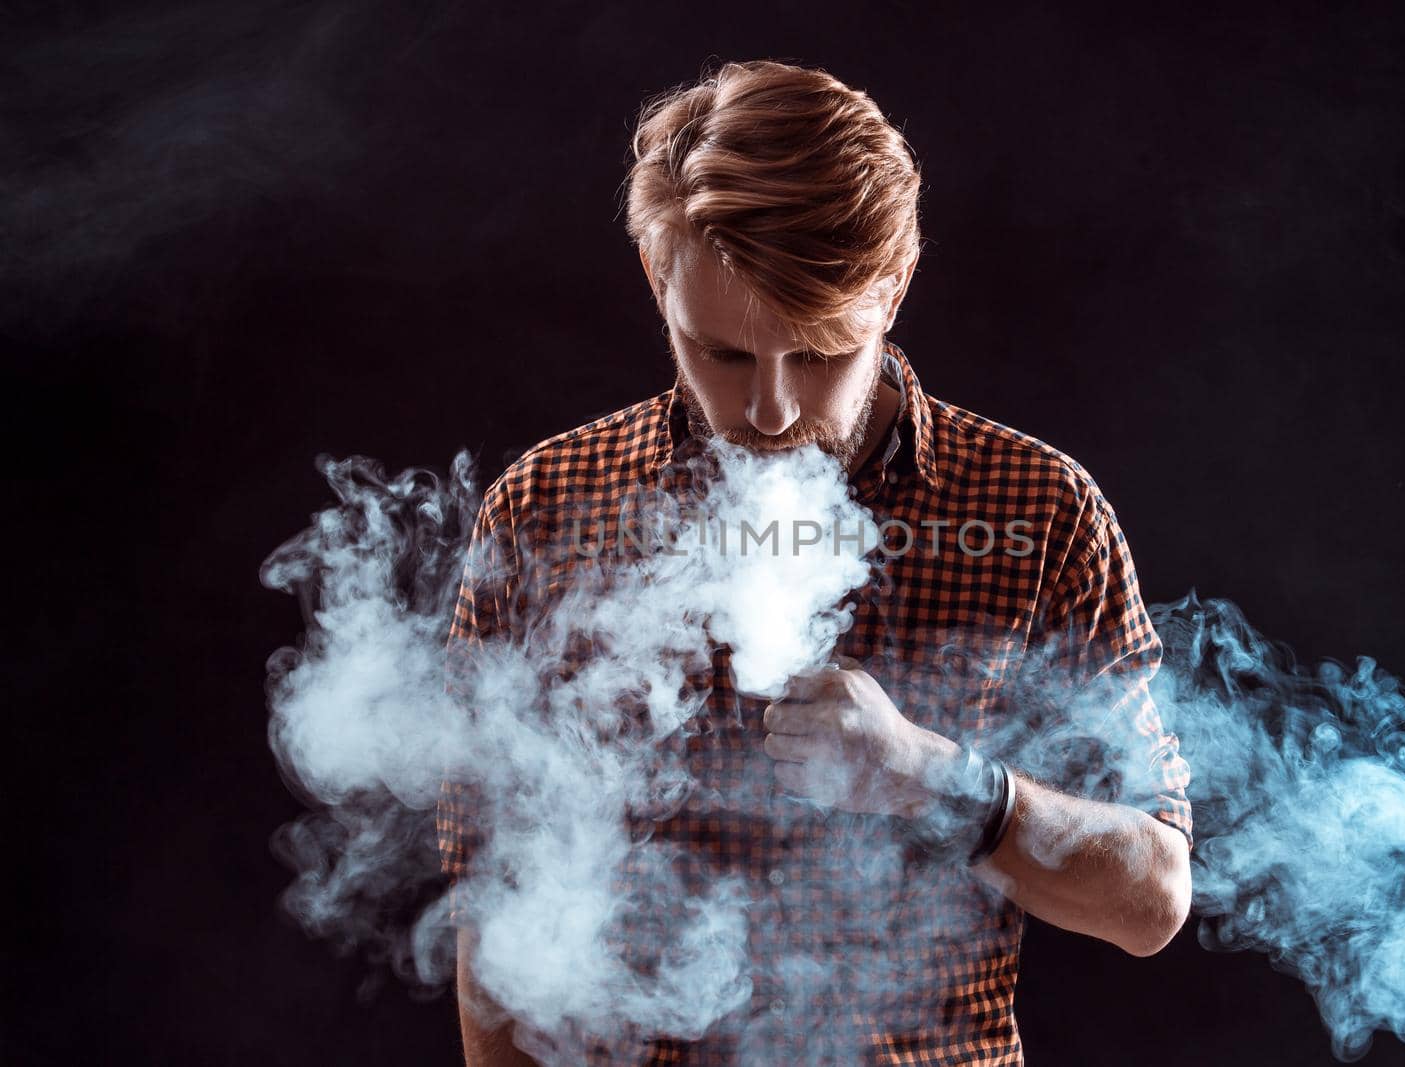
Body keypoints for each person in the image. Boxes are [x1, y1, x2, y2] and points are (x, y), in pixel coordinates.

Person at [439, 59, 1192, 1065]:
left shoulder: (1042, 509)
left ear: (895, 285)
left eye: (822, 353)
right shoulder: (546, 507)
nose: (770, 414)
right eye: (724, 354)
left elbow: (1150, 900)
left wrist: (932, 779)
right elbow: (496, 908)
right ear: (656, 282)